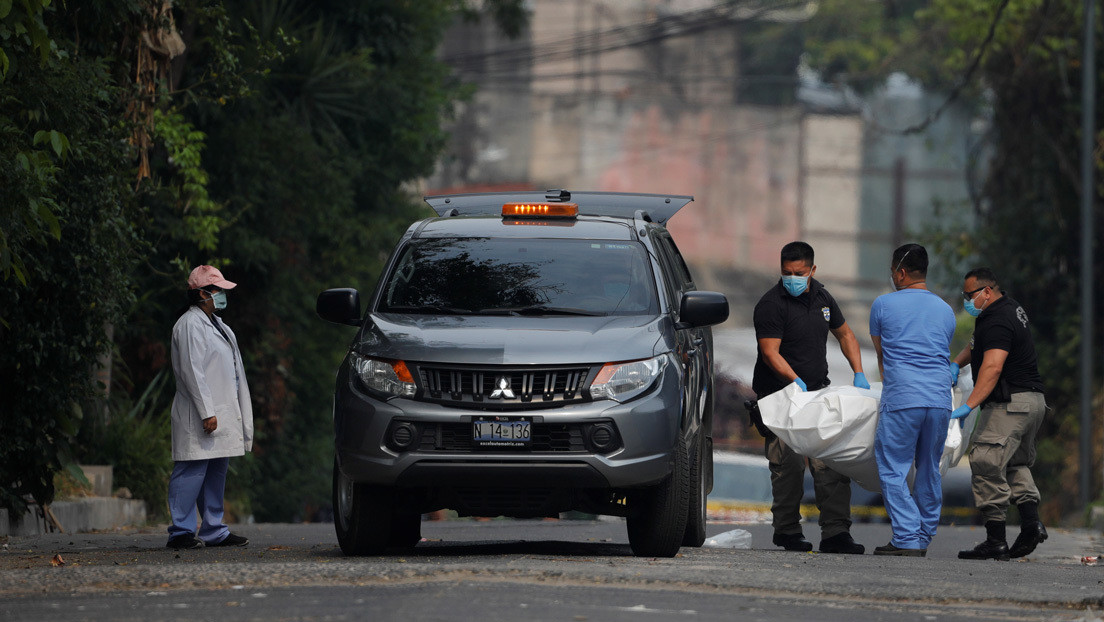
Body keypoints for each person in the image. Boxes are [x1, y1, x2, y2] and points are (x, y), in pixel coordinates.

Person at [751, 241, 869, 554]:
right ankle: (787, 530)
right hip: (780, 398)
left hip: (817, 394)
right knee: (788, 468)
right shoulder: (770, 304)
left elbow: (845, 335)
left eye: (799, 273)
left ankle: (836, 533)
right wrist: (794, 380)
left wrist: (859, 372)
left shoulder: (823, 298)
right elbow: (770, 352)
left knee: (830, 464)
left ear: (812, 270)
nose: (792, 278)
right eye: (787, 272)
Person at [952, 268, 1047, 561]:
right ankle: (1031, 524)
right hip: (1032, 401)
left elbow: (992, 366)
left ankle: (996, 541)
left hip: (1009, 403)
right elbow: (976, 346)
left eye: (970, 295)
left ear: (986, 291)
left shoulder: (997, 320)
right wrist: (956, 363)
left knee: (986, 461)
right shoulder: (1008, 308)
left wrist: (970, 405)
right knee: (1014, 463)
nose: (967, 300)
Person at [868, 243, 956, 556]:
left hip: (904, 397)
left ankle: (906, 537)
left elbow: (882, 354)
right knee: (929, 467)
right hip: (940, 399)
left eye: (893, 272)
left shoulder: (882, 305)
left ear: (901, 272)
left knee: (893, 468)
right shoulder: (946, 310)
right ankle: (922, 535)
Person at [166, 265, 254, 550]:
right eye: (218, 290)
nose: (222, 295)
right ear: (202, 293)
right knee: (191, 470)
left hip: (221, 411)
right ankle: (180, 531)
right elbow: (192, 372)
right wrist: (207, 412)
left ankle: (214, 529)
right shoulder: (190, 325)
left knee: (216, 472)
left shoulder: (219, 325)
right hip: (201, 413)